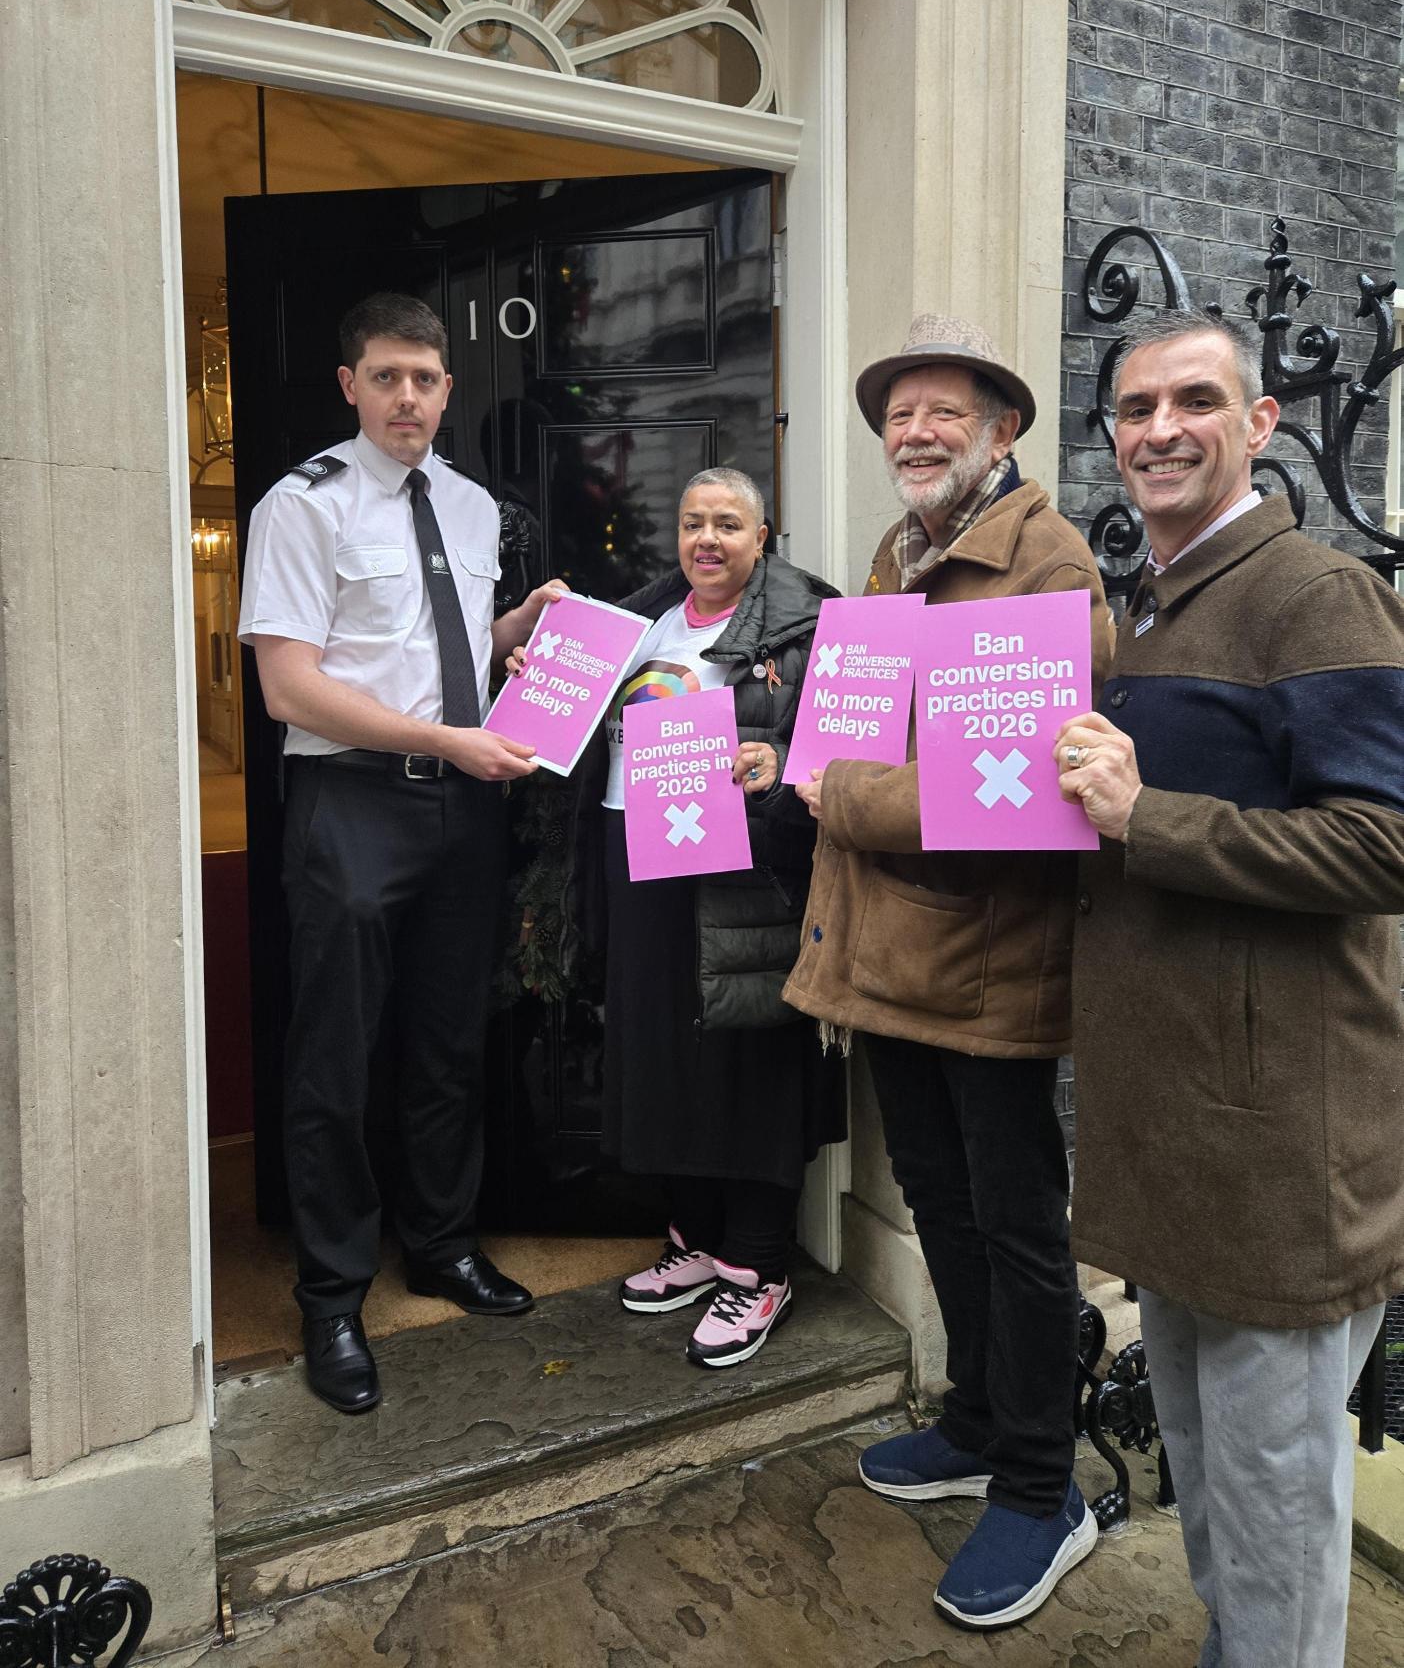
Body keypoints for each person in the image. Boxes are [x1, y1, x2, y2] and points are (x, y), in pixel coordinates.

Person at [1055, 307, 1404, 1668]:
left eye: (1194, 400)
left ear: (1261, 424)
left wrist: (1145, 815)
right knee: (1209, 1480)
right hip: (1177, 1128)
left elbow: (1386, 844)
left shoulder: (1319, 592)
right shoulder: (1141, 600)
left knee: (1272, 1518)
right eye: (1136, 408)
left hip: (1277, 1149)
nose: (1158, 430)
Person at [782, 314, 1114, 1630]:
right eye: (896, 414)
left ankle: (1046, 1486)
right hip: (890, 955)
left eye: (940, 411)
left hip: (988, 961)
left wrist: (840, 793)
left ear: (1002, 429)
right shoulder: (899, 552)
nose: (912, 433)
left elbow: (1018, 777)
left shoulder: (1046, 557)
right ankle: (977, 1418)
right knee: (940, 1201)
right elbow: (872, 721)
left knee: (1020, 1222)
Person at [239, 291, 566, 1415]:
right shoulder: (302, 505)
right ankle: (331, 1293)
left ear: (446, 385)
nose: (408, 397)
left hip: (461, 809)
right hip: (350, 804)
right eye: (386, 377)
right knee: (334, 1052)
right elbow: (291, 683)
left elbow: (442, 646)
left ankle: (439, 1242)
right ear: (350, 384)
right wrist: (442, 739)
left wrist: (519, 633)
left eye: (425, 378)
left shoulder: (472, 508)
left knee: (446, 1041)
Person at [565, 468, 846, 1368]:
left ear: (764, 536)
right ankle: (695, 1240)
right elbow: (573, 721)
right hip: (633, 853)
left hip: (745, 869)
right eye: (693, 523)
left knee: (748, 1054)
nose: (708, 539)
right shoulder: (637, 619)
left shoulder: (811, 621)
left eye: (729, 524)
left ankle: (760, 1266)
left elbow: (848, 751)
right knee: (656, 1050)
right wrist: (540, 675)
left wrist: (778, 762)